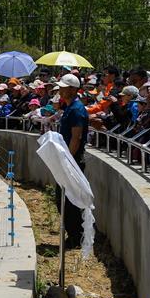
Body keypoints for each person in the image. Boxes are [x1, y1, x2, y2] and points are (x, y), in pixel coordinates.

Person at [56, 73, 89, 248]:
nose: (60, 90)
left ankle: (76, 237)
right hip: (67, 159)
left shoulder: (76, 110)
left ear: (73, 89)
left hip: (72, 160)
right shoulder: (69, 107)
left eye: (63, 87)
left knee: (70, 201)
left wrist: (67, 160)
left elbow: (76, 138)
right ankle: (74, 235)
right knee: (63, 199)